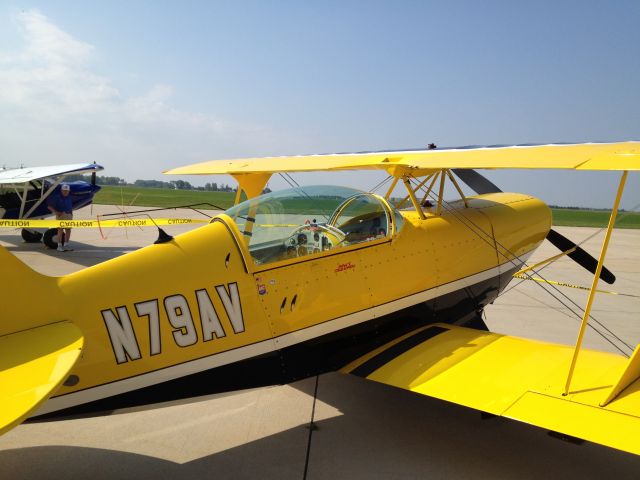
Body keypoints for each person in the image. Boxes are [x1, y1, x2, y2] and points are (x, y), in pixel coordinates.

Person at [47, 184, 73, 252]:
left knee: (68, 230)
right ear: (61, 190)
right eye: (64, 191)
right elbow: (49, 206)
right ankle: (59, 246)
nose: (65, 192)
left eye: (67, 191)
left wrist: (71, 214)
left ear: (69, 191)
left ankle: (66, 245)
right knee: (60, 230)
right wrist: (56, 212)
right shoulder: (57, 197)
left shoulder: (69, 197)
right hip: (61, 215)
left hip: (69, 215)